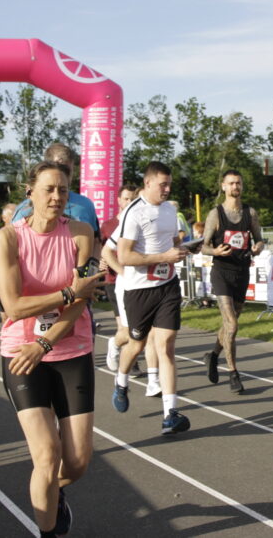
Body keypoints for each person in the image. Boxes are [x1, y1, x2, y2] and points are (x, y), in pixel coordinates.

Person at [0, 160, 103, 538]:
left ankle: (54, 493)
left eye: (63, 190)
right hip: (21, 355)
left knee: (76, 463)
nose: (57, 197)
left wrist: (45, 341)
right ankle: (48, 532)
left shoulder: (81, 233)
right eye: (49, 189)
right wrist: (69, 292)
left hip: (70, 350)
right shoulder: (8, 238)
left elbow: (80, 304)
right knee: (45, 455)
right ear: (31, 192)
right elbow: (13, 306)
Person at [110, 161, 192, 435]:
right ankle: (121, 381)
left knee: (166, 345)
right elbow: (124, 255)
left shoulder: (170, 211)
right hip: (139, 290)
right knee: (136, 343)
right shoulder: (133, 213)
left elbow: (172, 245)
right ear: (147, 183)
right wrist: (163, 257)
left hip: (167, 285)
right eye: (162, 184)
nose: (167, 189)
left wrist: (184, 249)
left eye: (169, 184)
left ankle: (170, 414)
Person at [201, 170, 265, 394]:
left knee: (230, 325)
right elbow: (204, 245)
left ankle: (213, 355)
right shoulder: (216, 214)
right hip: (221, 273)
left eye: (238, 183)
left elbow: (259, 240)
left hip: (241, 273)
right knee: (232, 324)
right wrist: (215, 250)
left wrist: (258, 247)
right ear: (224, 187)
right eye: (231, 183)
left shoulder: (250, 213)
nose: (235, 186)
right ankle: (233, 373)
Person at [102, 185, 150, 383]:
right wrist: (113, 268)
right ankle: (118, 347)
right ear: (119, 201)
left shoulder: (142, 220)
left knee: (141, 329)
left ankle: (130, 354)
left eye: (133, 199)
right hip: (115, 281)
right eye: (127, 199)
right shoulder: (108, 225)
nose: (130, 202)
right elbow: (102, 250)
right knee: (125, 329)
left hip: (140, 281)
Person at [13, 143, 101, 233]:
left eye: (68, 171)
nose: (64, 175)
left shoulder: (85, 204)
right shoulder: (24, 209)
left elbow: (96, 241)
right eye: (60, 168)